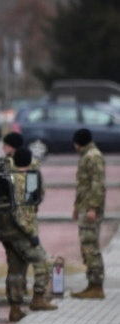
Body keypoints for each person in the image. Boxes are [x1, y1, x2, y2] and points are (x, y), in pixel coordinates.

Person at [0, 145, 57, 320]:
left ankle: (15, 308)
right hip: (22, 233)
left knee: (16, 269)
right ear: (29, 161)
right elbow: (22, 213)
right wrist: (32, 235)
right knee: (44, 262)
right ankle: (38, 298)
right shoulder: (26, 180)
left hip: (6, 233)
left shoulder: (6, 177)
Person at [71, 127, 106, 298]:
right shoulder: (87, 156)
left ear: (79, 143)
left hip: (90, 209)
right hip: (85, 207)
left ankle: (97, 285)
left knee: (91, 247)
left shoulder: (93, 157)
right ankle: (91, 283)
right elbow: (83, 186)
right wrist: (77, 208)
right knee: (86, 246)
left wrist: (92, 208)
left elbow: (97, 185)